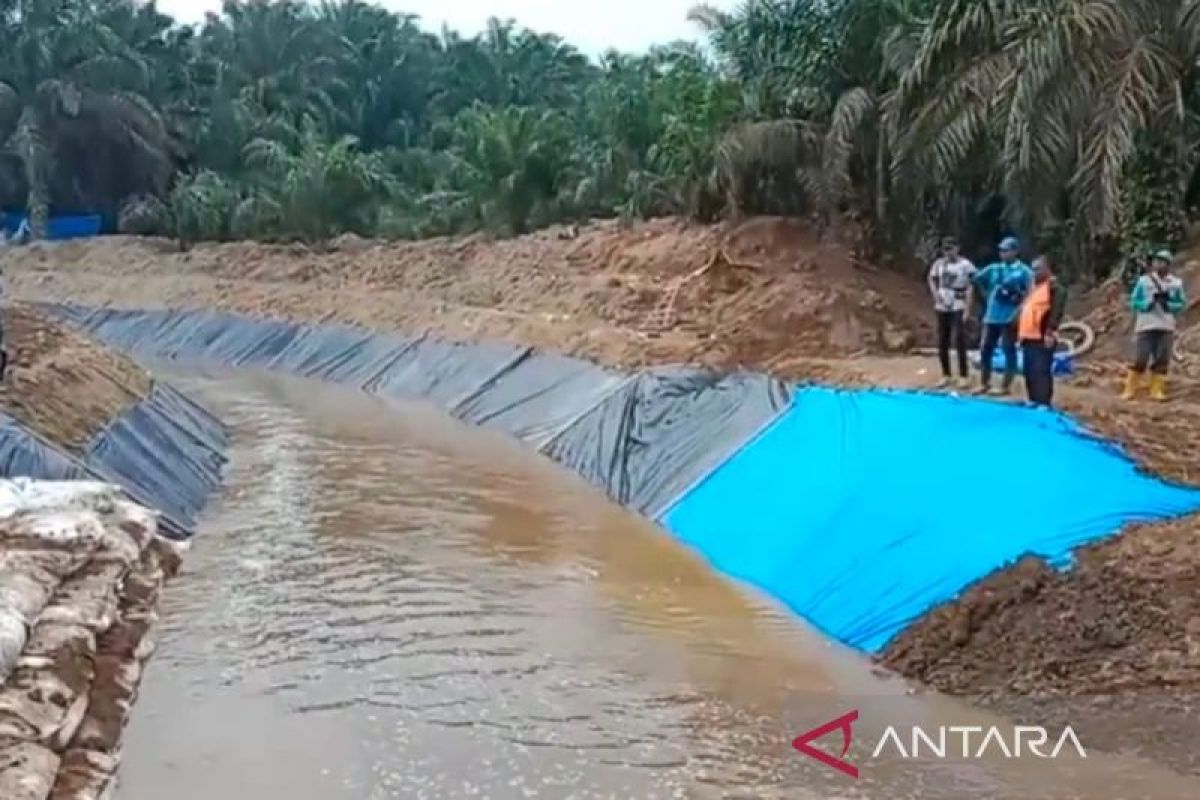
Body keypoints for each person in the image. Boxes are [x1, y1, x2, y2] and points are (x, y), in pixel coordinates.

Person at [1121, 249, 1187, 401]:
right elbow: (1133, 301)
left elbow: (1181, 303)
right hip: (1146, 324)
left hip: (1166, 325)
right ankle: (1130, 388)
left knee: (1162, 359)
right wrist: (1147, 304)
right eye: (1157, 261)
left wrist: (1168, 304)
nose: (1158, 264)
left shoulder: (1176, 283)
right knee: (1140, 358)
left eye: (1162, 261)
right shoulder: (1144, 281)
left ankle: (1156, 390)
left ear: (1168, 265)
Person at [972, 236, 1033, 395]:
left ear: (1015, 251)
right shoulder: (993, 269)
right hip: (991, 316)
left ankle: (1005, 386)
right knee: (986, 349)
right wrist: (985, 295)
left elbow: (1030, 293)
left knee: (1008, 349)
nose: (1002, 254)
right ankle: (984, 382)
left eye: (1006, 250)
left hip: (1009, 317)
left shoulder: (1024, 272)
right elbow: (975, 278)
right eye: (1001, 251)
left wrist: (1020, 311)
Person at [1017, 255, 1067, 407]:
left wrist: (1050, 331)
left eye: (1038, 269)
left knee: (1041, 372)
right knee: (1029, 371)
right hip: (1028, 337)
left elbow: (1056, 311)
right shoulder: (1035, 287)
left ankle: (1043, 403)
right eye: (1033, 269)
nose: (1034, 272)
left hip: (1042, 337)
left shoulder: (1054, 288)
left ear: (1047, 269)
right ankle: (1033, 401)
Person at [926, 236, 976, 388]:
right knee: (943, 339)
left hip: (958, 303)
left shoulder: (965, 265)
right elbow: (931, 278)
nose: (948, 252)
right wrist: (935, 295)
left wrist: (968, 308)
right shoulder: (939, 264)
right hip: (943, 305)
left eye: (951, 249)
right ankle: (946, 374)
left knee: (959, 338)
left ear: (957, 248)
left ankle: (963, 374)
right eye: (945, 249)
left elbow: (971, 286)